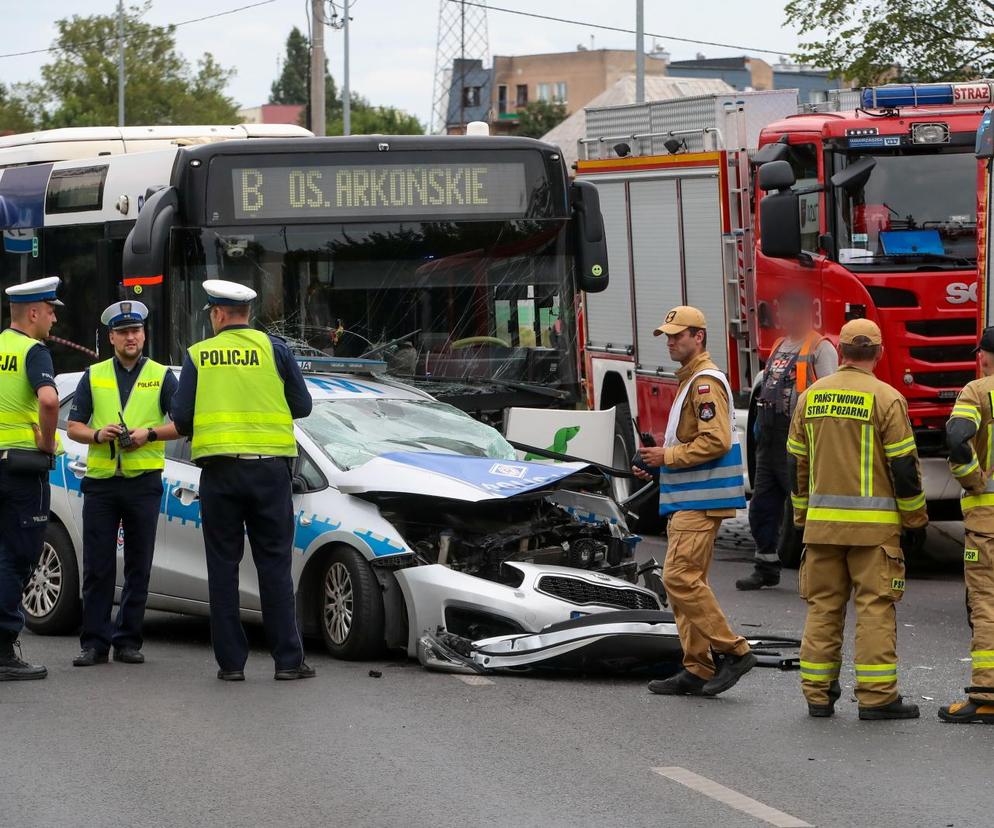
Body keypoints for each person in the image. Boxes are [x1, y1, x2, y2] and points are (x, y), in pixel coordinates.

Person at [171, 280, 315, 681]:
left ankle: (231, 665)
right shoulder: (275, 350)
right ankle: (288, 661)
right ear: (248, 314)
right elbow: (302, 406)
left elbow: (181, 418)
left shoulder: (199, 355)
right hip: (270, 473)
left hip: (219, 475)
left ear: (217, 314)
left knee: (222, 567)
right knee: (274, 566)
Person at [788, 318, 926, 720]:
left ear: (842, 352)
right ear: (879, 354)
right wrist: (915, 520)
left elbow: (797, 463)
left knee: (823, 608)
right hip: (874, 531)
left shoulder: (811, 396)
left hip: (821, 529)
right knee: (875, 609)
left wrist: (802, 515)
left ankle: (817, 694)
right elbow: (904, 468)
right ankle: (877, 697)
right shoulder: (887, 399)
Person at [633, 306, 756, 697]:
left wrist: (666, 458)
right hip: (687, 496)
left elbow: (715, 440)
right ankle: (697, 667)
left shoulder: (704, 383)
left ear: (698, 336)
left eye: (678, 335)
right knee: (687, 581)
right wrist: (659, 466)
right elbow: (691, 442)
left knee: (678, 578)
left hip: (699, 501)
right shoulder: (691, 380)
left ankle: (733, 651)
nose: (671, 342)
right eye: (668, 336)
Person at [66, 301, 179, 667]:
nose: (131, 337)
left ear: (144, 334)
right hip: (101, 483)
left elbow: (182, 423)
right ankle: (94, 643)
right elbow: (73, 426)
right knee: (98, 566)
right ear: (111, 337)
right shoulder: (94, 374)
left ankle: (128, 640)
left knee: (138, 564)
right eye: (124, 332)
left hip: (143, 481)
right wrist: (99, 434)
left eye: (136, 331)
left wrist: (149, 433)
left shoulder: (162, 375)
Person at [738, 291, 838, 590]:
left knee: (802, 508)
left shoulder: (820, 348)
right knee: (761, 507)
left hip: (799, 440)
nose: (780, 318)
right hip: (769, 441)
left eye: (785, 311)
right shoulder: (781, 345)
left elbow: (829, 394)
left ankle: (819, 573)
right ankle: (765, 566)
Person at [0, 277, 63, 681]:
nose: (55, 318)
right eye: (52, 310)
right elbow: (50, 399)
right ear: (34, 313)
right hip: (21, 470)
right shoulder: (32, 351)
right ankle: (4, 649)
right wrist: (47, 441)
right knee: (17, 555)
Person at [939, 326, 994, 723]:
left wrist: (973, 479)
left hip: (988, 522)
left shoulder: (978, 391)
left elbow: (957, 436)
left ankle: (987, 694)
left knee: (987, 607)